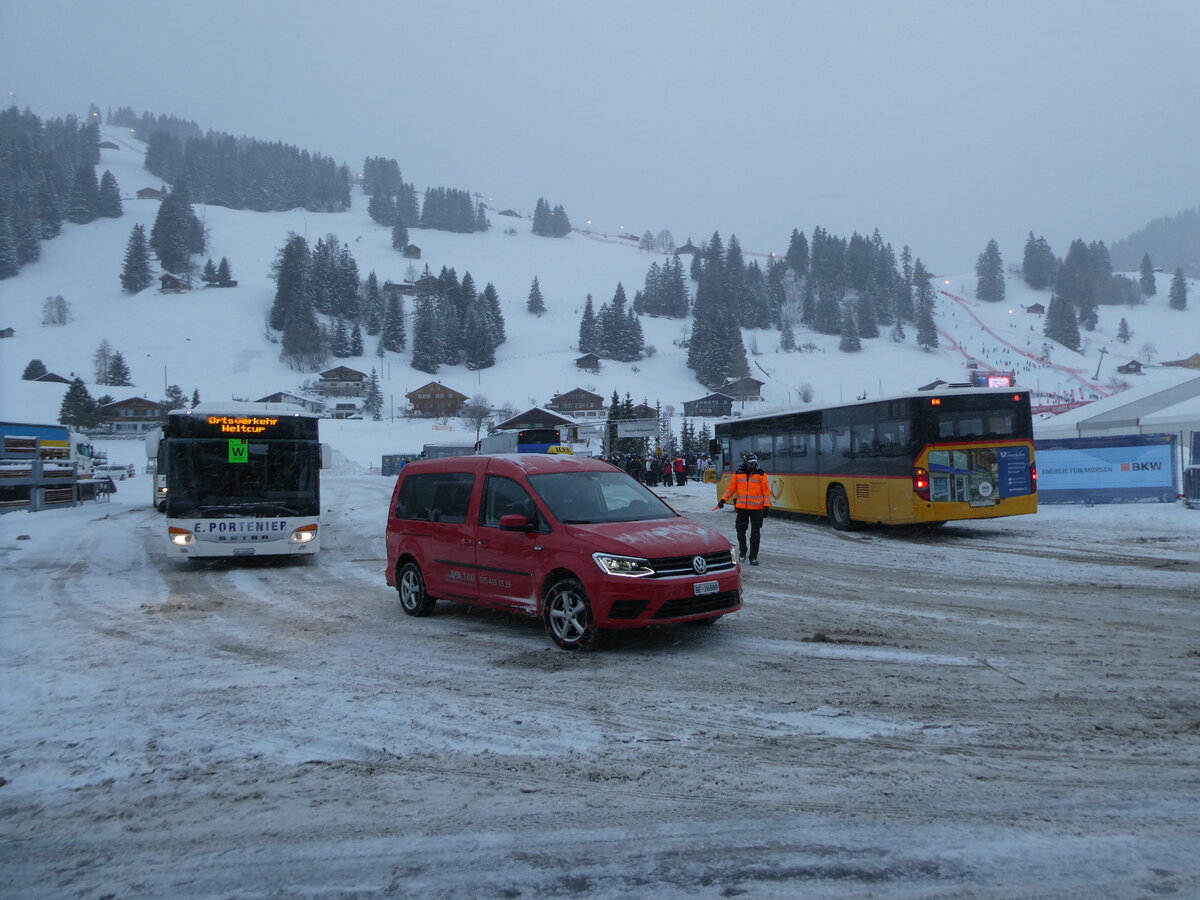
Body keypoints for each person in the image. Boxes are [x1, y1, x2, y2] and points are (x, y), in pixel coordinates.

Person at [717, 453, 770, 565]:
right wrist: (723, 500)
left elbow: (766, 491)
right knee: (740, 531)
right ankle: (742, 552)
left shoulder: (761, 473)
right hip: (742, 508)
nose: (753, 464)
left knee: (755, 533)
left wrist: (766, 506)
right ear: (745, 462)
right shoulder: (738, 473)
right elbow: (731, 489)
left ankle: (753, 556)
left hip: (757, 508)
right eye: (751, 463)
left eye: (754, 462)